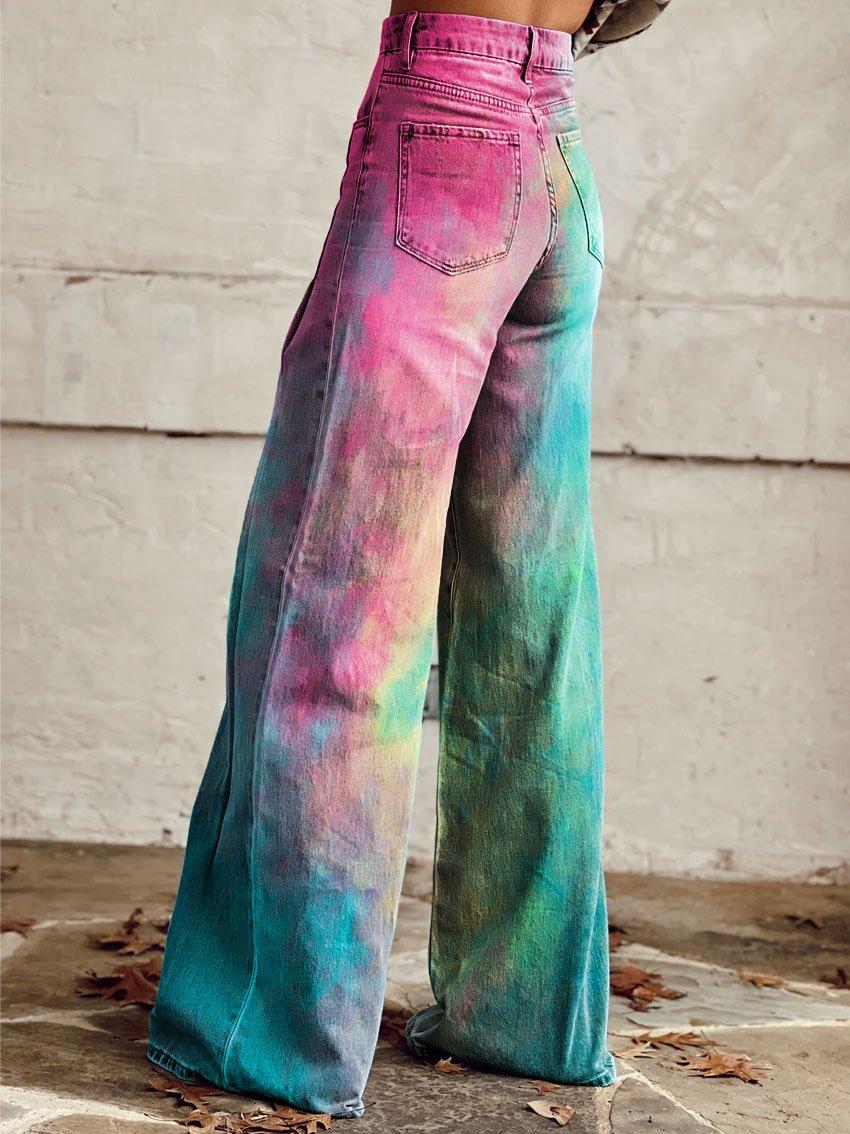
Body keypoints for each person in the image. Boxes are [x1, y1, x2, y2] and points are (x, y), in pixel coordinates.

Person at [148, 0, 673, 1118]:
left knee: (337, 609)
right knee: (530, 621)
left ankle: (275, 1036)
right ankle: (525, 1019)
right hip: (558, 147)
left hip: (441, 135)